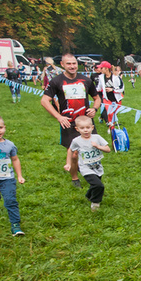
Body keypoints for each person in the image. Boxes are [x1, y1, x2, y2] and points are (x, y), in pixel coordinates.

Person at [41, 53, 101, 186]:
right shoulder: (56, 81)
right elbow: (44, 100)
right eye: (68, 64)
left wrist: (94, 109)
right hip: (69, 122)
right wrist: (58, 116)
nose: (72, 66)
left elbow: (97, 98)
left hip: (85, 122)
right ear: (62, 65)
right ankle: (75, 178)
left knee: (91, 149)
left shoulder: (86, 80)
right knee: (74, 153)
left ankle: (93, 175)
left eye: (74, 63)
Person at [65, 115, 111, 211]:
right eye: (82, 128)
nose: (85, 130)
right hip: (85, 168)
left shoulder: (97, 138)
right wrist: (68, 163)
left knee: (95, 184)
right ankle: (95, 203)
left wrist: (98, 146)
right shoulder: (76, 141)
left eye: (88, 127)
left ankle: (88, 195)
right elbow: (70, 150)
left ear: (92, 127)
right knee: (99, 185)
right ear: (77, 129)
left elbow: (108, 149)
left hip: (97, 167)